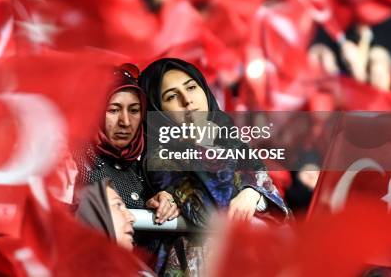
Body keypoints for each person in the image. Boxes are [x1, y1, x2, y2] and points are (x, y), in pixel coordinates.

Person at [139, 58, 290, 275]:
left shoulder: (233, 140)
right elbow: (207, 211)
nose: (187, 100)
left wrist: (252, 193)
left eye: (191, 87)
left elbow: (277, 202)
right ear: (157, 110)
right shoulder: (160, 157)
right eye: (171, 96)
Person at [74, 64, 179, 225]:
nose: (125, 121)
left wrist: (166, 200)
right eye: (114, 110)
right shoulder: (76, 160)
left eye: (134, 110)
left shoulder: (148, 162)